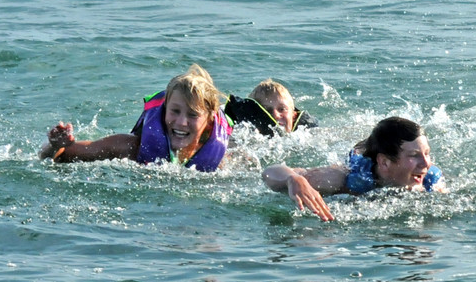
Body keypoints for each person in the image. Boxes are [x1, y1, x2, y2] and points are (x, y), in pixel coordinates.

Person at [39, 64, 231, 172]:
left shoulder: (223, 162)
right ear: (164, 110)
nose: (181, 122)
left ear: (210, 119)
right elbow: (57, 158)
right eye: (175, 111)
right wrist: (54, 146)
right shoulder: (130, 148)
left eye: (193, 114)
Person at [261, 116, 445, 221]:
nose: (426, 164)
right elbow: (269, 172)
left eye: (427, 153)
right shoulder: (342, 178)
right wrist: (293, 179)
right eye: (414, 155)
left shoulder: (430, 181)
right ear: (384, 162)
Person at [225, 79, 318, 135]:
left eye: (282, 109)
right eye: (267, 111)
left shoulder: (309, 137)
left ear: (294, 115)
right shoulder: (245, 139)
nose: (276, 115)